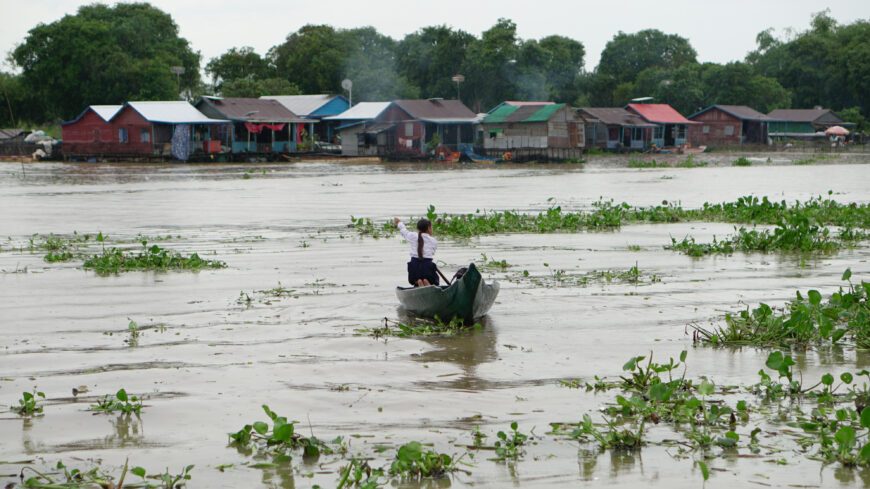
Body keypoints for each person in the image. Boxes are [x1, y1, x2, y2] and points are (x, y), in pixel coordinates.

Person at [394, 217, 439, 287]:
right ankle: (426, 282)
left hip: (414, 267)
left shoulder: (412, 236)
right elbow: (432, 252)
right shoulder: (433, 241)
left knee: (417, 278)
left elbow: (403, 231)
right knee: (433, 280)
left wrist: (399, 222)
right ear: (429, 228)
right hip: (427, 267)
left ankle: (419, 281)